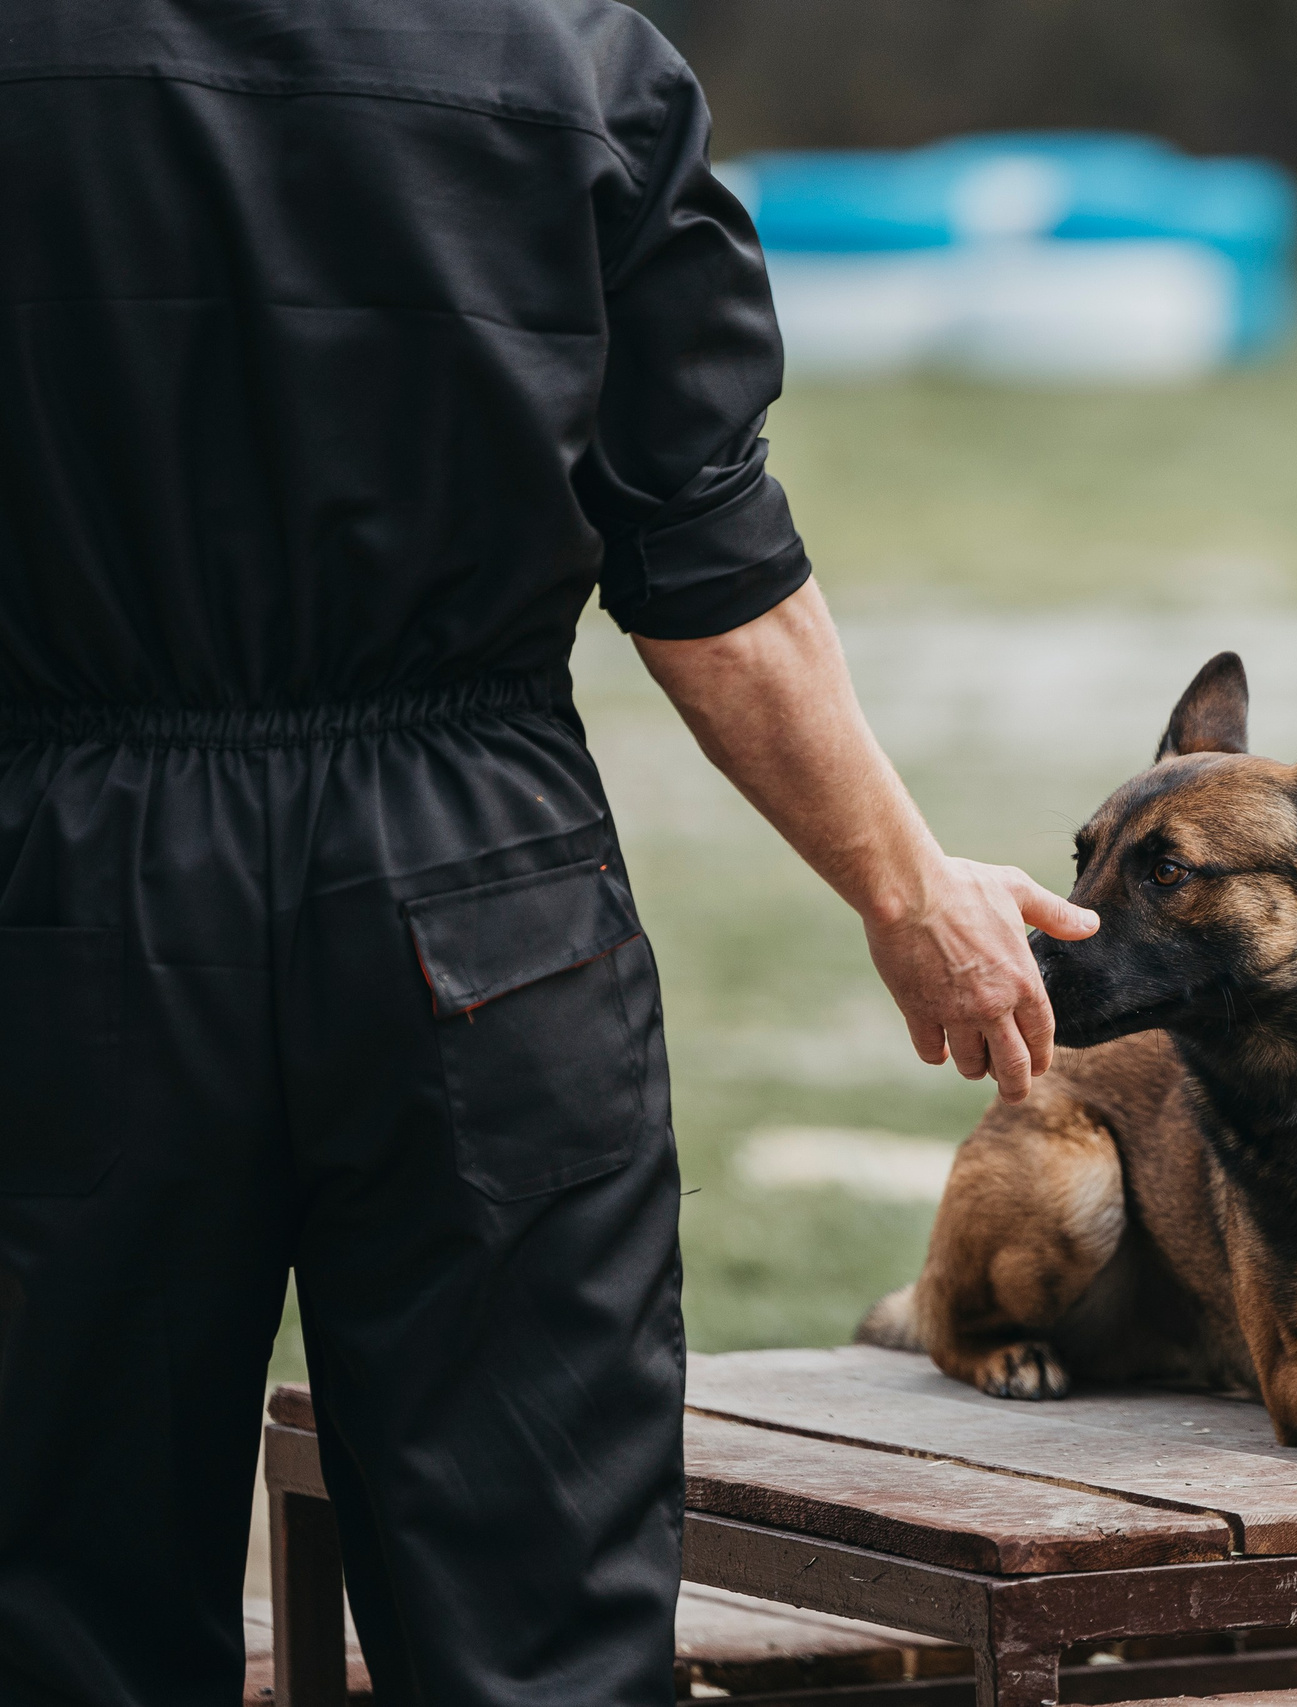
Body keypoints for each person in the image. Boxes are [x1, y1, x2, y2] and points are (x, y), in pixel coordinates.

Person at [0, 2, 1095, 1701]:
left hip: (66, 885)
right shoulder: (571, 61)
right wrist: (908, 888)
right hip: (482, 898)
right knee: (541, 1618)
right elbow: (708, 569)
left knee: (61, 1597)